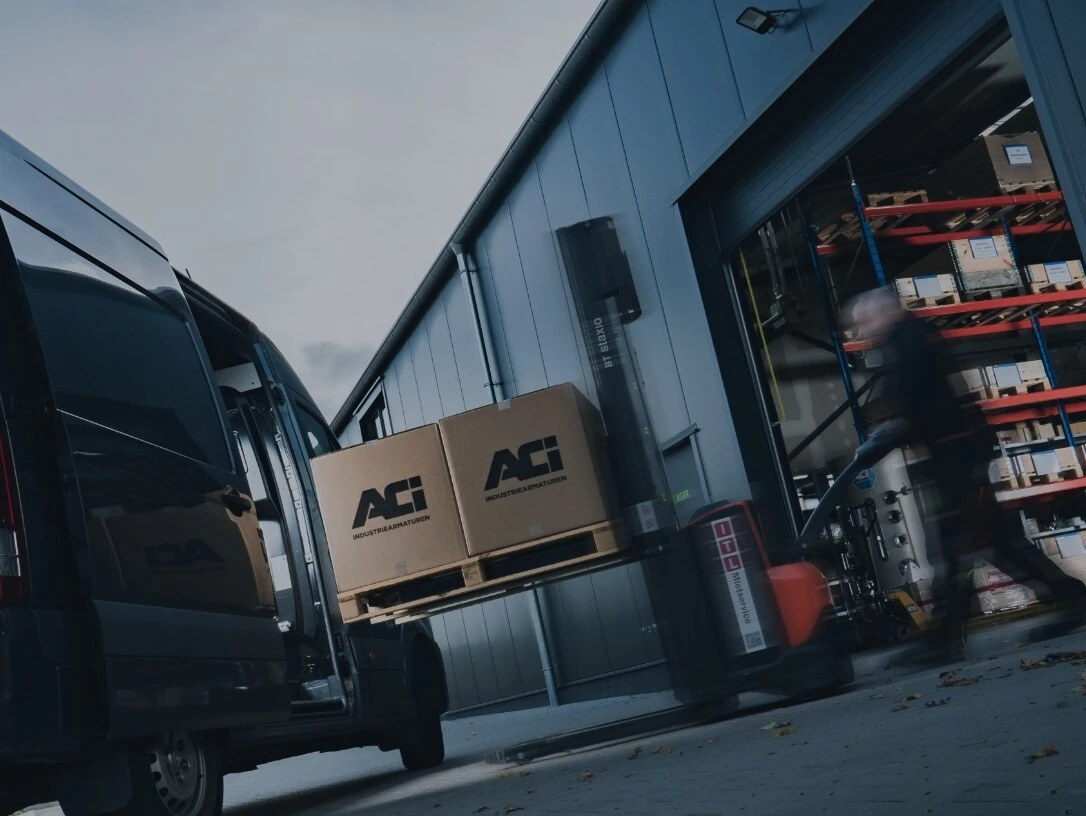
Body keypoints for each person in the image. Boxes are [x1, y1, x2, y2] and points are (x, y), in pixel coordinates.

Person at [847, 286, 1086, 666]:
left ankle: (944, 640)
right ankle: (1073, 600)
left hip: (957, 461)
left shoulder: (911, 341)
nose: (861, 332)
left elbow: (917, 399)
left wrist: (889, 432)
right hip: (952, 459)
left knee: (952, 549)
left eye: (864, 322)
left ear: (885, 312)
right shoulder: (906, 340)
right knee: (998, 542)